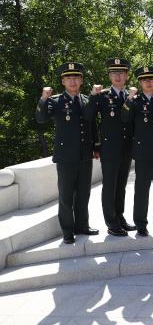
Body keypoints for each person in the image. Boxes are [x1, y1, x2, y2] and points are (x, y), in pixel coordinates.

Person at [36, 62, 99, 244]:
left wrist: (96, 147)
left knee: (83, 193)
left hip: (85, 154)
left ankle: (82, 226)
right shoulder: (55, 101)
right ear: (63, 81)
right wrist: (43, 98)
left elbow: (91, 125)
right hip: (65, 156)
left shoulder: (87, 99)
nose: (72, 80)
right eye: (68, 78)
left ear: (81, 80)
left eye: (76, 77)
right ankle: (68, 231)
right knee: (65, 195)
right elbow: (41, 119)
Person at [85, 57, 135, 237]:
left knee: (121, 185)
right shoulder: (103, 95)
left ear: (127, 75)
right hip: (110, 149)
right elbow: (89, 116)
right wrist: (92, 95)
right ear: (109, 76)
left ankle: (120, 217)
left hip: (126, 148)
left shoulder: (132, 96)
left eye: (121, 73)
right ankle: (111, 222)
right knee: (110, 185)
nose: (118, 76)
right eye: (114, 73)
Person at [122, 66, 153, 236]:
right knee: (142, 190)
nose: (149, 82)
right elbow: (124, 117)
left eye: (151, 79)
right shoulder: (135, 101)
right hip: (143, 153)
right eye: (145, 80)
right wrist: (128, 98)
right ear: (140, 82)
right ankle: (141, 223)